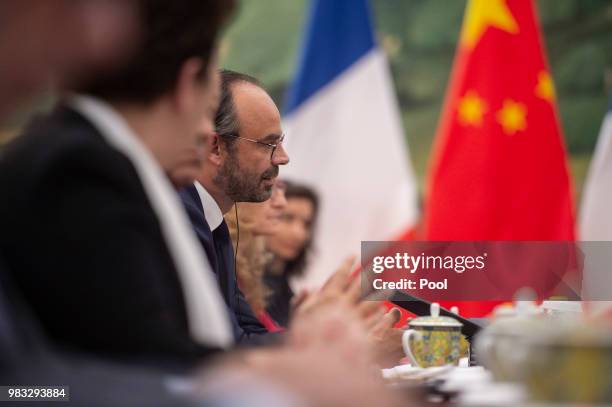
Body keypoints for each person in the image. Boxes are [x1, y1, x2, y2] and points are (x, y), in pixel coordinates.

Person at [0, 0, 236, 370]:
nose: (207, 133)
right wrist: (284, 368)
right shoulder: (78, 173)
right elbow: (145, 364)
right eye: (209, 113)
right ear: (187, 82)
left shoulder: (92, 166)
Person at [179, 70, 289, 344]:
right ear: (215, 147)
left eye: (280, 143)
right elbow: (227, 348)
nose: (283, 158)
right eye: (269, 144)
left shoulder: (213, 223)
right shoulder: (183, 218)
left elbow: (249, 331)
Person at [224, 180, 288, 332]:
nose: (282, 203)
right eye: (269, 189)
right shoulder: (220, 264)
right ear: (236, 196)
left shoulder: (244, 270)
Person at [264, 181, 319, 327]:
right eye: (287, 218)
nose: (299, 233)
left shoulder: (287, 294)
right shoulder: (240, 285)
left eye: (306, 224)